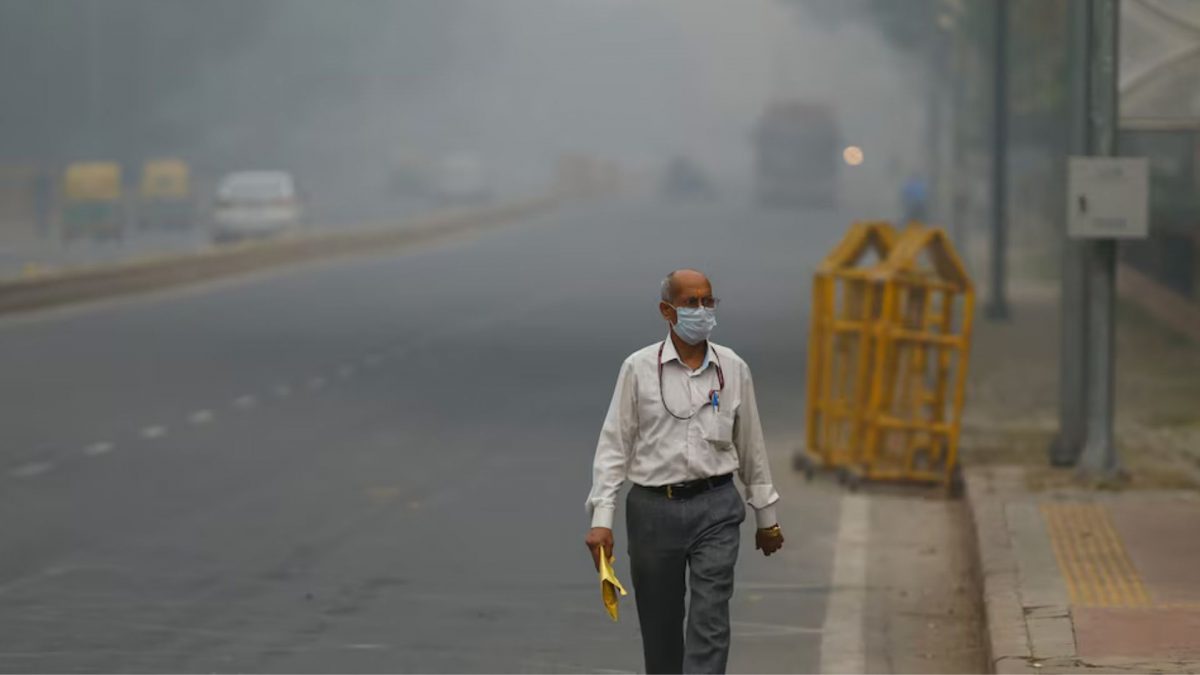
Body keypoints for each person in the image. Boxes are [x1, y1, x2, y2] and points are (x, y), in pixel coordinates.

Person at [584, 268, 784, 674]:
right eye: (691, 303)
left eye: (708, 301)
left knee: (710, 619)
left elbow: (752, 446)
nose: (701, 310)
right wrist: (602, 519)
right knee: (661, 630)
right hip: (653, 511)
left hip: (717, 508)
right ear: (667, 310)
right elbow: (613, 447)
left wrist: (767, 518)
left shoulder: (733, 369)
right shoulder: (638, 368)